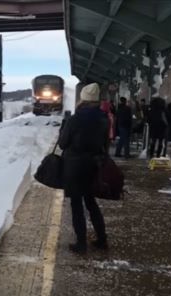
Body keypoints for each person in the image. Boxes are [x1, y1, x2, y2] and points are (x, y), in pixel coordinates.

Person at [59, 83, 109, 254]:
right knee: (91, 202)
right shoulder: (104, 118)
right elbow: (105, 144)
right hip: (93, 165)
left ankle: (81, 243)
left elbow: (63, 143)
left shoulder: (74, 119)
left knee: (76, 204)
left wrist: (63, 129)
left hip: (74, 166)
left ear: (83, 100)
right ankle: (102, 239)